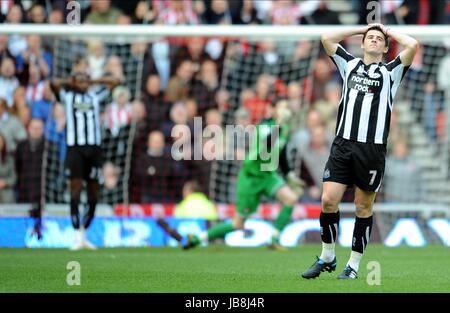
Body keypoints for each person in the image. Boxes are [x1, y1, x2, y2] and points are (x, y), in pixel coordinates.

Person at [301, 24, 418, 279]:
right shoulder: (349, 65)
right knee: (328, 200)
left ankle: (353, 266)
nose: (374, 40)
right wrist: (362, 29)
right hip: (343, 144)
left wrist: (386, 31)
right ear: (363, 44)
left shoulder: (391, 73)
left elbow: (412, 45)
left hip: (371, 150)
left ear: (385, 47)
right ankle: (327, 256)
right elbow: (326, 37)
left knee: (362, 208)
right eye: (370, 38)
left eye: (379, 39)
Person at [182, 99, 304, 251]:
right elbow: (266, 149)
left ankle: (274, 238)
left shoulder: (284, 128)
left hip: (268, 176)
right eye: (281, 107)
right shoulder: (264, 126)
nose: (285, 111)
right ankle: (197, 238)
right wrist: (278, 126)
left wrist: (289, 174)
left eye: (287, 107)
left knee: (291, 199)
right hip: (251, 177)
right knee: (238, 224)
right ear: (271, 109)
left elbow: (281, 152)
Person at [49, 72, 120, 250]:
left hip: (94, 149)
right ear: (73, 81)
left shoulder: (95, 94)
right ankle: (75, 234)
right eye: (79, 79)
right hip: (76, 149)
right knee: (75, 188)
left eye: (85, 79)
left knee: (94, 191)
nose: (83, 82)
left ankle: (85, 233)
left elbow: (116, 81)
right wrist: (70, 81)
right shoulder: (68, 96)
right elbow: (53, 83)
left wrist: (93, 80)